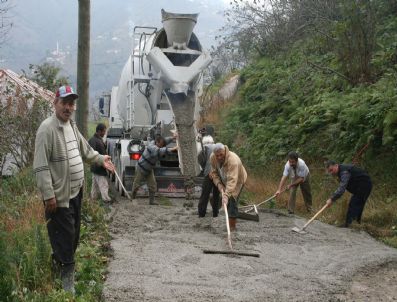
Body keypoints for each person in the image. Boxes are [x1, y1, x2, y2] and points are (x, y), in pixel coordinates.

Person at [33, 85, 114, 294]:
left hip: (75, 193)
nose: (68, 107)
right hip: (58, 197)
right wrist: (48, 195)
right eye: (64, 103)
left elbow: (86, 151)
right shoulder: (47, 129)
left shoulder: (71, 125)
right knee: (66, 238)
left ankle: (57, 270)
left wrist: (100, 158)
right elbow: (40, 166)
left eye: (71, 103)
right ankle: (67, 287)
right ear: (55, 103)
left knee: (73, 236)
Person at [209, 143, 247, 231]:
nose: (219, 157)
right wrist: (219, 184)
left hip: (237, 180)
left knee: (232, 201)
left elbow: (232, 180)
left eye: (221, 155)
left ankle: (232, 227)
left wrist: (226, 195)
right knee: (222, 197)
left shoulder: (233, 160)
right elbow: (214, 173)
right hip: (224, 178)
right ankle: (219, 203)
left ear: (225, 152)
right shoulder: (212, 157)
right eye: (217, 155)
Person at [131, 135, 177, 205]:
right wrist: (172, 149)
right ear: (157, 142)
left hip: (149, 169)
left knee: (152, 185)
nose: (162, 146)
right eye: (160, 145)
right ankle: (133, 198)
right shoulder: (151, 146)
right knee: (136, 184)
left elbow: (165, 141)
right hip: (141, 168)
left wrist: (172, 138)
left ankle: (151, 202)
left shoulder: (159, 143)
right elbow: (159, 151)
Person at [325, 160, 372, 227]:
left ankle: (350, 225)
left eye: (331, 170)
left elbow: (341, 188)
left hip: (364, 186)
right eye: (329, 171)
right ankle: (355, 224)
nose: (331, 173)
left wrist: (331, 199)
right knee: (357, 204)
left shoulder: (344, 172)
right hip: (361, 186)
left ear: (336, 165)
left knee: (354, 204)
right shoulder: (342, 170)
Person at [197, 135, 220, 218]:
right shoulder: (218, 147)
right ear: (212, 141)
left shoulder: (204, 148)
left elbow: (200, 159)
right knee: (216, 194)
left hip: (208, 173)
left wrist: (204, 168)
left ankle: (201, 213)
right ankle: (215, 213)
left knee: (205, 194)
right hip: (218, 173)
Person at [88, 123, 111, 203]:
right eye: (103, 131)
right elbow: (91, 154)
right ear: (99, 131)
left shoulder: (99, 140)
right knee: (104, 185)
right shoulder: (93, 141)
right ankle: (106, 201)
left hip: (97, 167)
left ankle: (93, 201)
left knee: (95, 186)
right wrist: (101, 164)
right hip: (98, 167)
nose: (104, 133)